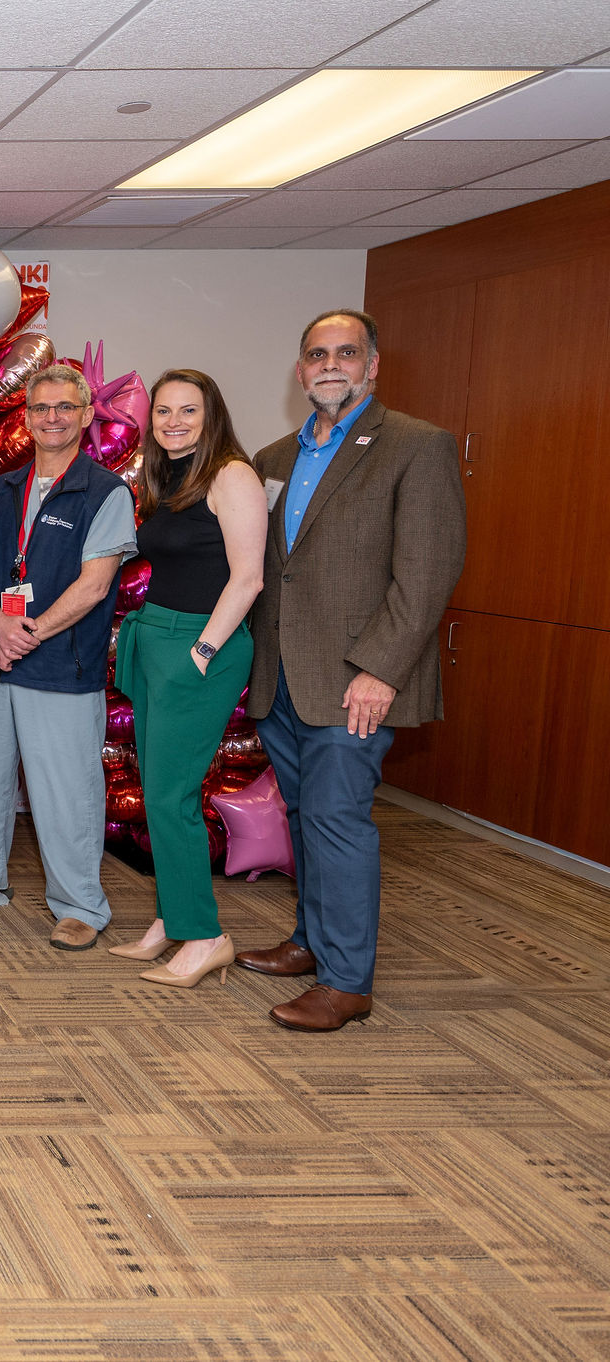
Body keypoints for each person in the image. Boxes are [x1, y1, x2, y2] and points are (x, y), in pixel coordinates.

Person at [237, 310, 465, 1031]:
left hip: (356, 681)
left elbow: (427, 572)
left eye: (345, 352)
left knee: (337, 821)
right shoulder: (273, 458)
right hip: (283, 677)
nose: (329, 364)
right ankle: (309, 940)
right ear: (299, 370)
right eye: (315, 354)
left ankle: (345, 982)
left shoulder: (415, 446)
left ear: (372, 366)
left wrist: (380, 669)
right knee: (304, 817)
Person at [0, 364, 137, 950]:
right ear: (25, 419)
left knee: (66, 789)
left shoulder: (107, 491)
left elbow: (95, 584)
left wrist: (28, 632)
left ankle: (81, 904)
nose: (51, 418)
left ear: (85, 416)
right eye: (39, 409)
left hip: (60, 666)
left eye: (63, 408)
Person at [107, 370, 267, 987]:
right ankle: (172, 919)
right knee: (159, 792)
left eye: (188, 411)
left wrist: (202, 649)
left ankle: (205, 935)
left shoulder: (232, 475)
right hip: (157, 638)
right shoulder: (168, 474)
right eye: (164, 411)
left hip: (202, 644)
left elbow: (247, 577)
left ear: (212, 416)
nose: (173, 421)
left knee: (171, 797)